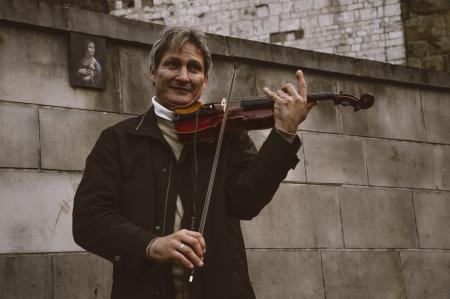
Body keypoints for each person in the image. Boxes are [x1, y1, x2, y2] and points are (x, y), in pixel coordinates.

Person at [73, 27, 314, 299]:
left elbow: (246, 202)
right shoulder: (118, 140)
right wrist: (150, 245)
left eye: (194, 68)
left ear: (205, 80)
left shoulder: (227, 135)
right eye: (172, 64)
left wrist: (283, 135)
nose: (183, 77)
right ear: (153, 72)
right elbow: (88, 220)